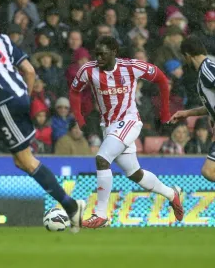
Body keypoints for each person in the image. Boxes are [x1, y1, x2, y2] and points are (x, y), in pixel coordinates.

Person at [0, 1, 85, 234]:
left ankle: (71, 207)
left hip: (4, 102)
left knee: (25, 161)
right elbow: (29, 70)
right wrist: (25, 97)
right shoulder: (0, 38)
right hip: (10, 99)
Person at [69, 36, 184, 228]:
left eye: (103, 54)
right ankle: (172, 194)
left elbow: (162, 79)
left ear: (114, 52)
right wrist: (79, 117)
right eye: (96, 53)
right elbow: (74, 92)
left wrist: (165, 112)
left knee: (102, 159)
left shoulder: (131, 67)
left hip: (129, 121)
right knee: (134, 173)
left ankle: (101, 214)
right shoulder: (88, 71)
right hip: (108, 126)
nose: (99, 57)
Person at [170, 36, 215, 182]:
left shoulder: (208, 70)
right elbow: (210, 105)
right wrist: (187, 113)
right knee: (209, 171)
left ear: (187, 55)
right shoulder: (205, 71)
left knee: (209, 171)